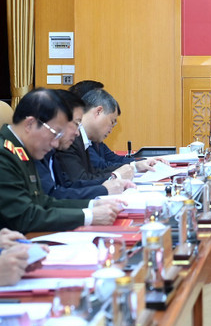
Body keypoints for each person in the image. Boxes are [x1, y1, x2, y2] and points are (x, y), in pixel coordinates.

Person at [0, 88, 122, 233]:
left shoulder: (23, 149)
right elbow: (25, 217)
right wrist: (88, 216)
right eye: (55, 133)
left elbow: (43, 201)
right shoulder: (5, 155)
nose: (55, 144)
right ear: (30, 124)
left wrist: (92, 204)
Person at [38, 90, 133, 199]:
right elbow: (73, 183)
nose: (77, 132)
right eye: (76, 123)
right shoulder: (66, 143)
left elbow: (89, 174)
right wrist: (113, 179)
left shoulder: (80, 140)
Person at [56, 89, 156, 184]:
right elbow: (79, 181)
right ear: (98, 111)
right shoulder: (71, 139)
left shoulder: (85, 138)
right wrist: (117, 175)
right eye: (112, 122)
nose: (111, 129)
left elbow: (94, 171)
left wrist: (134, 166)